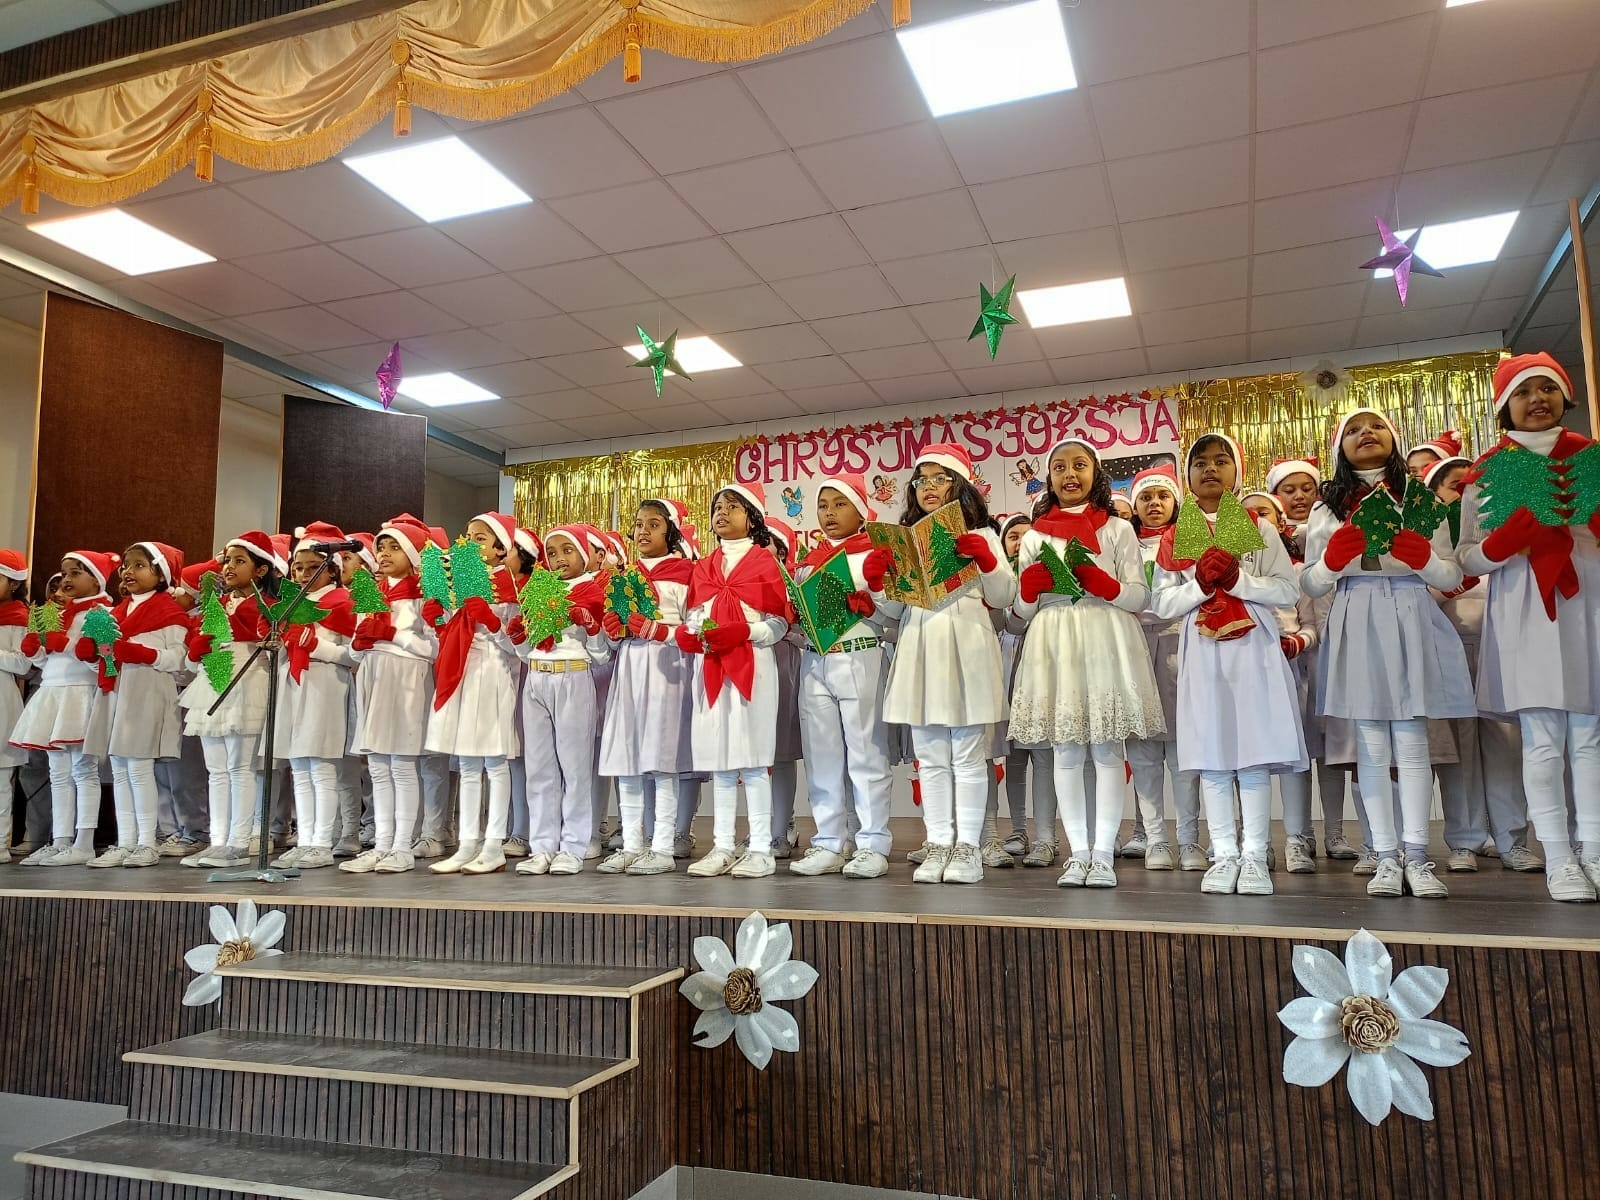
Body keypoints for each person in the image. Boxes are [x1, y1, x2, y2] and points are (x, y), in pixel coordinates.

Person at [1301, 409, 1474, 899]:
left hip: (1410, 613)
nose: (1366, 434)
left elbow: (1449, 573)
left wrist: (1425, 561)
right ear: (1340, 446)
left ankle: (1417, 856)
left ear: (1393, 438)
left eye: (1375, 426)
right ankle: (1385, 854)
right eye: (1353, 430)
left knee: (1413, 740)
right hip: (1356, 615)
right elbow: (1310, 582)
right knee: (1372, 743)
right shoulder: (1327, 508)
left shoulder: (1419, 498)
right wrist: (1332, 563)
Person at [1456, 353, 1600, 901]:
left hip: (1588, 604)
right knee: (1542, 739)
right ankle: (1559, 857)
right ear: (1503, 405)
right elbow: (1467, 557)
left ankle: (1594, 849)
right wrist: (1504, 541)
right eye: (1522, 391)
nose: (1537, 399)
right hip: (1527, 611)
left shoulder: (1590, 457)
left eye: (1547, 388)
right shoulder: (1491, 470)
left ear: (1565, 395)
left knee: (1589, 736)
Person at [1152, 436, 1306, 895]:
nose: (1210, 469)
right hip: (1202, 648)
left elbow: (1287, 590)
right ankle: (1223, 855)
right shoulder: (1176, 535)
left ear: (1237, 471)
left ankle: (1254, 855)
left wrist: (1240, 581)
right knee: (1213, 754)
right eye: (1200, 462)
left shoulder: (1259, 527)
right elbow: (1162, 603)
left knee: (1252, 753)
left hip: (1254, 646)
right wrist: (1199, 586)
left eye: (1221, 461)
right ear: (1188, 475)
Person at [1011, 438, 1162, 888]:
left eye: (1079, 465)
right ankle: (1077, 852)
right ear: (1049, 478)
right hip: (1054, 643)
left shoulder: (1117, 529)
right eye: (1059, 467)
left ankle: (1102, 854)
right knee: (1066, 751)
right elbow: (1020, 616)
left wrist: (1107, 586)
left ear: (1096, 473)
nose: (1070, 474)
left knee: (1108, 751)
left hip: (1104, 637)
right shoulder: (1035, 536)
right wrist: (1028, 592)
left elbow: (1139, 595)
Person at [871, 444, 1014, 884]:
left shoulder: (982, 533)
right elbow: (892, 612)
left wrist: (986, 560)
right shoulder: (906, 538)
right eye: (921, 480)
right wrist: (879, 582)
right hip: (920, 644)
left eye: (940, 478)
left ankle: (968, 847)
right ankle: (938, 842)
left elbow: (1005, 596)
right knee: (930, 756)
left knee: (969, 754)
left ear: (960, 484)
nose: (928, 487)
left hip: (967, 642)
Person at [1423, 453, 1537, 874]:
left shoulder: (1500, 529)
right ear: (1436, 492)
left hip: (1500, 646)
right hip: (1449, 648)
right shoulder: (1430, 533)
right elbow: (1420, 596)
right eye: (1455, 485)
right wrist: (1452, 586)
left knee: (1506, 744)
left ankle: (1512, 841)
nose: (1464, 493)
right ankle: (1464, 840)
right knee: (1460, 750)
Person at [789, 474, 900, 879]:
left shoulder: (876, 551)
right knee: (822, 758)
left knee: (867, 753)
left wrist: (875, 599)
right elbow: (798, 622)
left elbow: (898, 615)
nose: (830, 513)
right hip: (814, 661)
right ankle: (830, 841)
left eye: (840, 504)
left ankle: (872, 843)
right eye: (823, 506)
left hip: (861, 656)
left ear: (861, 510)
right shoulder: (808, 562)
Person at [680, 483, 791, 879]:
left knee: (754, 760)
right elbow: (694, 615)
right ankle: (723, 846)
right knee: (721, 761)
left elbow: (780, 623)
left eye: (732, 506)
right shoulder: (704, 567)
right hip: (712, 666)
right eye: (717, 507)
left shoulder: (765, 563)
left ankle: (760, 848)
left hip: (752, 666)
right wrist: (694, 633)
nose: (722, 512)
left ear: (752, 517)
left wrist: (745, 631)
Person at [596, 500, 696, 875]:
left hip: (666, 669)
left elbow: (693, 628)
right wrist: (611, 633)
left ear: (671, 531)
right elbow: (608, 644)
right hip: (630, 668)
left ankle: (663, 846)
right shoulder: (623, 577)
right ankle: (632, 845)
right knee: (628, 760)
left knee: (661, 759)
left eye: (653, 524)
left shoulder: (686, 574)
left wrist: (659, 630)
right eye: (638, 524)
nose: (642, 531)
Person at [506, 525, 608, 876]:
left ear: (584, 554)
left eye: (568, 550)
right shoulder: (538, 589)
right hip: (536, 678)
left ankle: (574, 846)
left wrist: (591, 627)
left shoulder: (592, 590)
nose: (559, 558)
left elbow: (601, 655)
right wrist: (518, 638)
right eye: (552, 553)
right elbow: (527, 651)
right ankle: (542, 846)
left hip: (573, 676)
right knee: (538, 768)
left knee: (575, 767)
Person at [175, 533, 280, 868]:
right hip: (213, 678)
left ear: (261, 570)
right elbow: (192, 659)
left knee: (240, 768)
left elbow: (270, 644)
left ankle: (239, 841)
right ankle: (218, 840)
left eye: (239, 561)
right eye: (227, 560)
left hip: (247, 680)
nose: (228, 567)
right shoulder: (216, 606)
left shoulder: (268, 605)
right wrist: (197, 649)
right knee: (216, 770)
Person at [342, 517, 437, 874]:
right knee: (378, 766)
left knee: (402, 765)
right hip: (374, 676)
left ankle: (402, 847)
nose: (384, 554)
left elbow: (434, 649)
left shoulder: (424, 595)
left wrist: (393, 635)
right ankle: (382, 844)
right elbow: (355, 651)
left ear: (413, 554)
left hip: (407, 680)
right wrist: (359, 644)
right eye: (380, 547)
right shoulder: (372, 594)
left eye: (394, 547)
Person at [11, 551, 118, 866]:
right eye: (65, 573)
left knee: (84, 770)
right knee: (57, 772)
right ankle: (60, 840)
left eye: (75, 573)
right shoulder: (59, 614)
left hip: (80, 696)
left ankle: (84, 842)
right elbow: (50, 663)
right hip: (53, 694)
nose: (66, 580)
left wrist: (73, 647)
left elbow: (107, 663)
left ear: (96, 580)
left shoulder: (102, 614)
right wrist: (38, 652)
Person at [87, 542, 190, 868]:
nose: (128, 571)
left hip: (147, 693)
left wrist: (146, 654)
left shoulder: (169, 613)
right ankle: (126, 841)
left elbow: (181, 660)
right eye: (126, 566)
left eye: (139, 566)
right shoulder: (116, 613)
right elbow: (110, 654)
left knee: (140, 768)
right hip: (118, 692)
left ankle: (147, 841)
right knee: (120, 769)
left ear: (160, 574)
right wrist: (97, 653)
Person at [267, 527, 356, 871]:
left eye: (312, 567)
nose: (303, 574)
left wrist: (318, 646)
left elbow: (354, 655)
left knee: (321, 768)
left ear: (332, 570)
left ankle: (322, 842)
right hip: (295, 685)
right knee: (300, 769)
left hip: (326, 687)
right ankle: (305, 840)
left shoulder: (342, 602)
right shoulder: (292, 606)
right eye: (297, 568)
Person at [1126, 465, 1193, 871]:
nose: (1154, 504)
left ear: (1175, 502)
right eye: (1146, 497)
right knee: (1143, 750)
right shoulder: (1124, 541)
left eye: (1163, 496)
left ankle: (1188, 839)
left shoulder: (1187, 539)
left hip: (1178, 643)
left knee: (1182, 752)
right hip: (1133, 646)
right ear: (1134, 505)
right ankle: (1154, 839)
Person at [0, 550, 29, 862]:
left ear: (14, 583)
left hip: (3, 701)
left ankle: (0, 843)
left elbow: (24, 664)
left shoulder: (18, 618)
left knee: (0, 779)